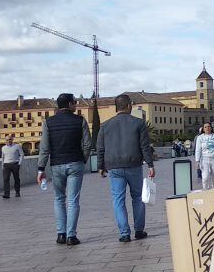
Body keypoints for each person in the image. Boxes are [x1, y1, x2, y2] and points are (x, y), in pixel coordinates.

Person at [97, 94, 155, 242]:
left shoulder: (105, 125)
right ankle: (139, 230)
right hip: (133, 165)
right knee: (137, 197)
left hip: (114, 167)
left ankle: (124, 233)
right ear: (129, 106)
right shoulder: (138, 123)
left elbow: (100, 148)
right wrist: (150, 164)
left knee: (118, 199)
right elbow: (145, 146)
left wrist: (100, 166)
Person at [36, 93, 91, 246]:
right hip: (75, 163)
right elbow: (87, 144)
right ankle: (71, 236)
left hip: (56, 165)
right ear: (69, 104)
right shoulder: (80, 121)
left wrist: (41, 169)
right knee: (73, 200)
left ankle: (61, 234)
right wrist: (83, 159)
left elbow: (44, 148)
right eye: (74, 102)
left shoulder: (49, 123)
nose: (76, 105)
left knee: (59, 199)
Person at [194, 123, 214, 190]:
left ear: (211, 128)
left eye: (209, 127)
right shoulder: (200, 138)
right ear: (203, 129)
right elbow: (198, 149)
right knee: (205, 177)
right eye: (205, 127)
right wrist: (197, 161)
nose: (207, 128)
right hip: (204, 159)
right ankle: (205, 190)